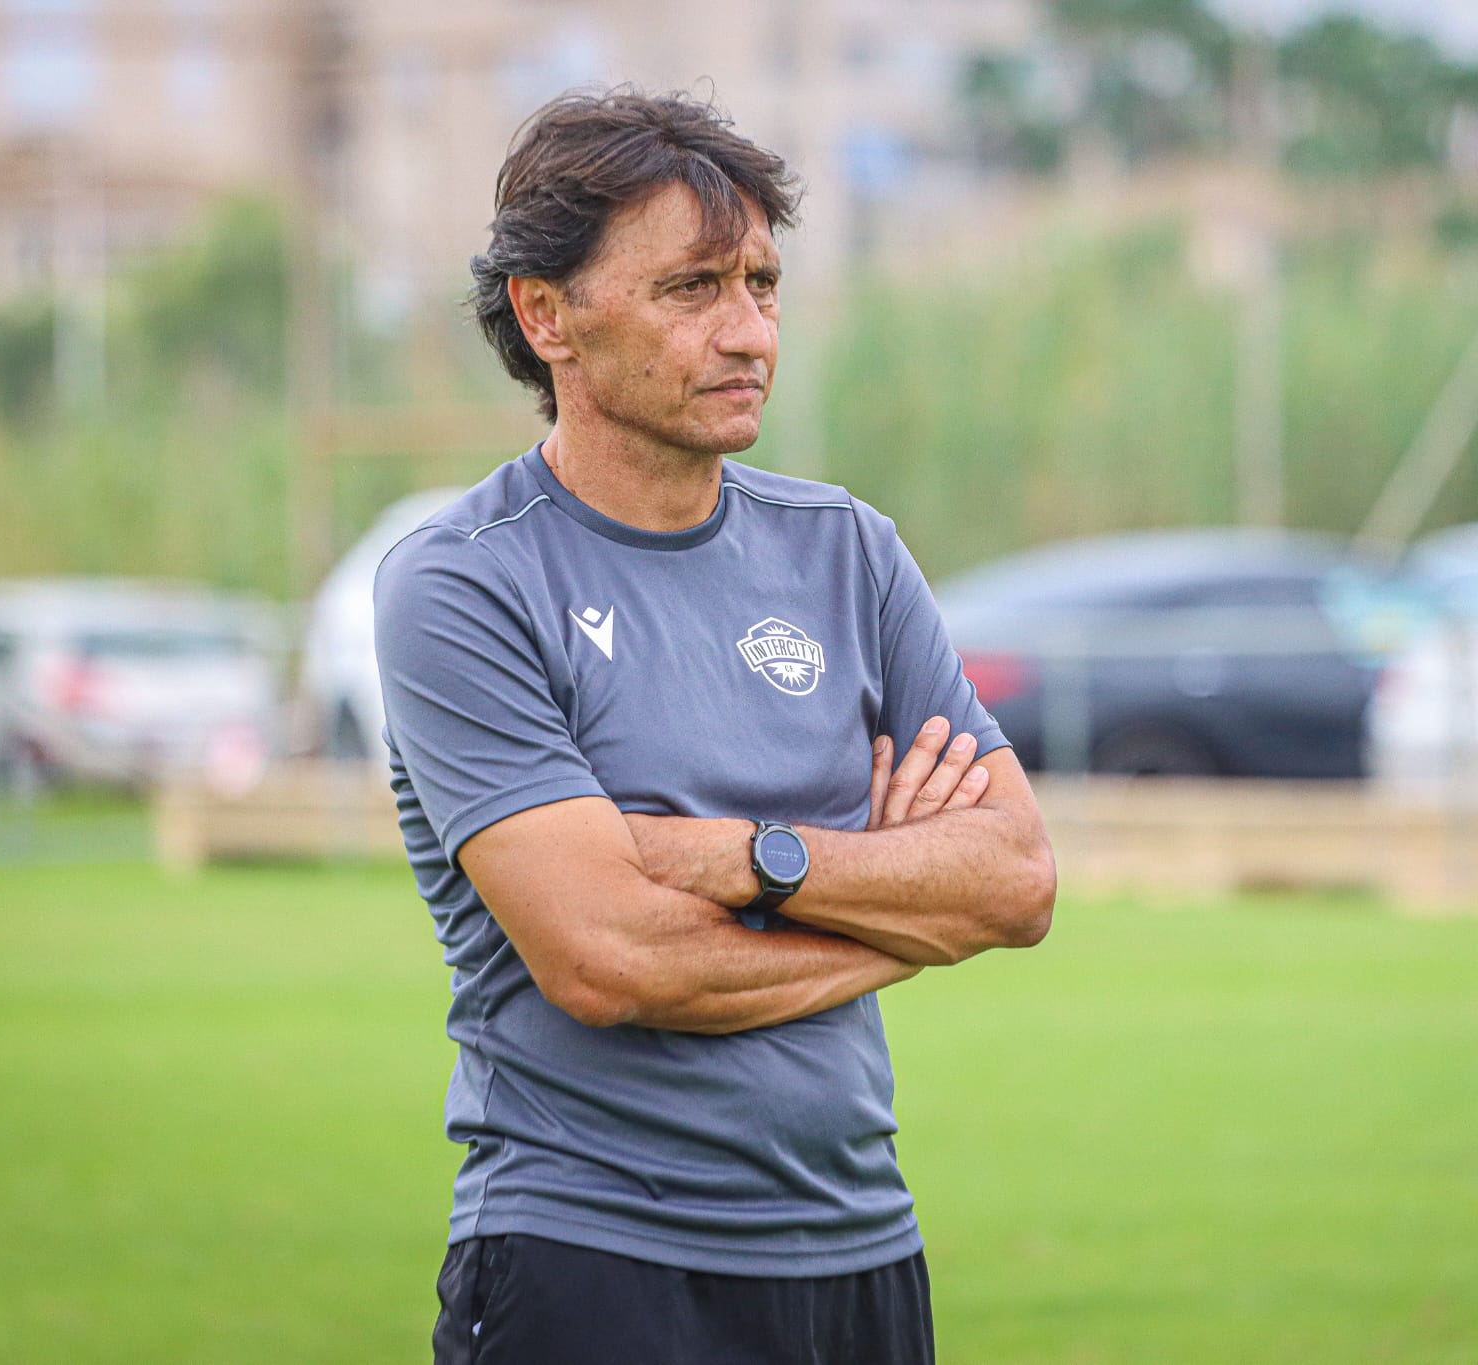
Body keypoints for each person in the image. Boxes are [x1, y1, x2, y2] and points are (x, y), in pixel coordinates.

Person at [372, 89, 1055, 1365]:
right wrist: (899, 925)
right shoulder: (465, 583)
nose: (749, 333)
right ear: (546, 314)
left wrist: (753, 860)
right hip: (592, 1258)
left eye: (762, 283)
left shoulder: (846, 549)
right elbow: (610, 962)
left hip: (861, 1248)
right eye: (691, 289)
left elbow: (1013, 881)